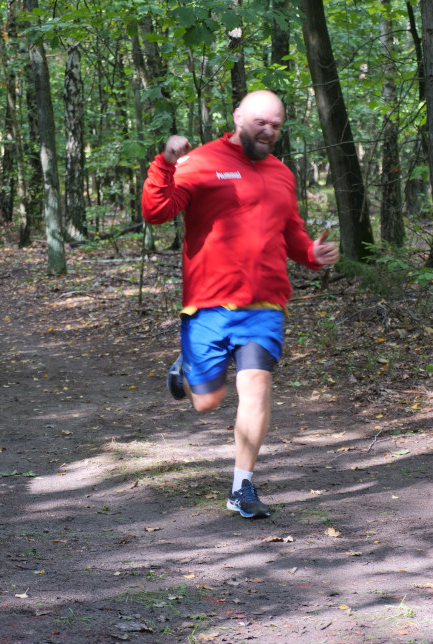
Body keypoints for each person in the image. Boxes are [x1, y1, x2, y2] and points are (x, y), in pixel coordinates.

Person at [141, 89, 340, 520]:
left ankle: (241, 486)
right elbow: (157, 212)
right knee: (206, 403)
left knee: (256, 386)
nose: (268, 131)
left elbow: (291, 232)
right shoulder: (202, 162)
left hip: (263, 304)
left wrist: (311, 254)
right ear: (238, 117)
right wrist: (165, 165)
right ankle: (188, 366)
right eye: (260, 122)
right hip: (208, 303)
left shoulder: (282, 174)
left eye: (276, 126)